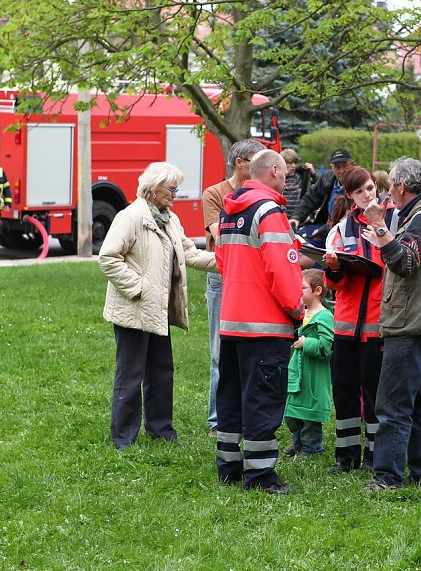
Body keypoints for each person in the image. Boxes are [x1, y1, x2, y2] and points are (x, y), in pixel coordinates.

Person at [98, 162, 217, 450]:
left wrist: (228, 262)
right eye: (171, 188)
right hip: (134, 310)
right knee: (131, 373)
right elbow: (108, 258)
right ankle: (123, 437)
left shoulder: (170, 219)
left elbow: (189, 252)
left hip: (159, 311)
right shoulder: (131, 217)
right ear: (152, 188)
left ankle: (161, 430)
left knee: (161, 371)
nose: (175, 194)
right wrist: (139, 289)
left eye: (177, 188)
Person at [360, 157, 421, 491]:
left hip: (411, 323)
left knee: (394, 405)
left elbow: (406, 263)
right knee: (418, 401)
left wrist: (383, 230)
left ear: (400, 187)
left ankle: (387, 478)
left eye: (390, 189)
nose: (388, 195)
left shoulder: (420, 219)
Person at [214, 149, 305, 495]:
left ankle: (229, 467)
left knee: (232, 397)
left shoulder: (229, 209)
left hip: (233, 320)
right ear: (273, 173)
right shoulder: (269, 211)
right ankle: (261, 476)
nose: (286, 179)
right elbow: (281, 270)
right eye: (284, 174)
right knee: (263, 399)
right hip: (266, 324)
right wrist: (298, 309)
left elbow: (223, 262)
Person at [322, 167, 398, 472]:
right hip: (345, 324)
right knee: (344, 391)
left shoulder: (392, 221)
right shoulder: (342, 229)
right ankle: (346, 457)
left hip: (379, 324)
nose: (367, 195)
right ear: (350, 196)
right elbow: (333, 285)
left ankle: (375, 456)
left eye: (370, 188)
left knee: (375, 393)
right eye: (359, 191)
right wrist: (335, 268)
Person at [202, 139, 265, 437]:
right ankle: (218, 421)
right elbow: (221, 235)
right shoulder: (214, 194)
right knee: (220, 351)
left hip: (254, 276)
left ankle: (243, 415)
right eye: (256, 159)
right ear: (239, 162)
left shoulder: (263, 193)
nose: (262, 165)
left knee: (251, 348)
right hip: (223, 277)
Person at [283, 269, 334, 459]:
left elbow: (326, 347)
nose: (298, 291)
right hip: (298, 372)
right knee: (290, 412)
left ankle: (312, 447)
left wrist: (306, 343)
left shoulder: (324, 316)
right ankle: (298, 441)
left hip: (312, 374)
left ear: (317, 290)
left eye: (303, 287)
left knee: (309, 416)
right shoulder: (302, 313)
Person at [289, 148, 355, 247]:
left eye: (345, 166)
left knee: (307, 250)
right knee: (295, 238)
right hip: (325, 224)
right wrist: (296, 218)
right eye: (337, 167)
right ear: (331, 167)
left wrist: (324, 229)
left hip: (345, 230)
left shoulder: (357, 182)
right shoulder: (326, 179)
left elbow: (350, 216)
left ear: (352, 164)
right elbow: (310, 198)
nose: (341, 171)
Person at [280, 149, 316, 219]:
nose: (293, 166)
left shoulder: (301, 175)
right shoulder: (278, 177)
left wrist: (313, 174)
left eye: (295, 163)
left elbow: (320, 185)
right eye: (290, 163)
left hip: (299, 218)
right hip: (282, 218)